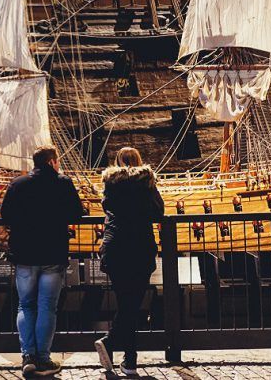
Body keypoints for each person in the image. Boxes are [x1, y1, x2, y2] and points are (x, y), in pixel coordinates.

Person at [0, 145, 84, 377]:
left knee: (25, 305)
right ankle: (44, 359)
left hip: (25, 254)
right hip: (53, 254)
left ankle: (28, 356)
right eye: (57, 161)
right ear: (51, 162)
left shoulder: (18, 184)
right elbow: (77, 213)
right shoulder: (63, 183)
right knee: (47, 306)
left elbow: (5, 214)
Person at [93, 147, 164, 376]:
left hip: (116, 248)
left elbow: (106, 207)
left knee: (126, 303)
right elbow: (158, 212)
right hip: (140, 248)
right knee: (132, 305)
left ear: (117, 162)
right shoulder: (146, 182)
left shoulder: (111, 182)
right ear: (139, 161)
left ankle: (127, 358)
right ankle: (118, 350)